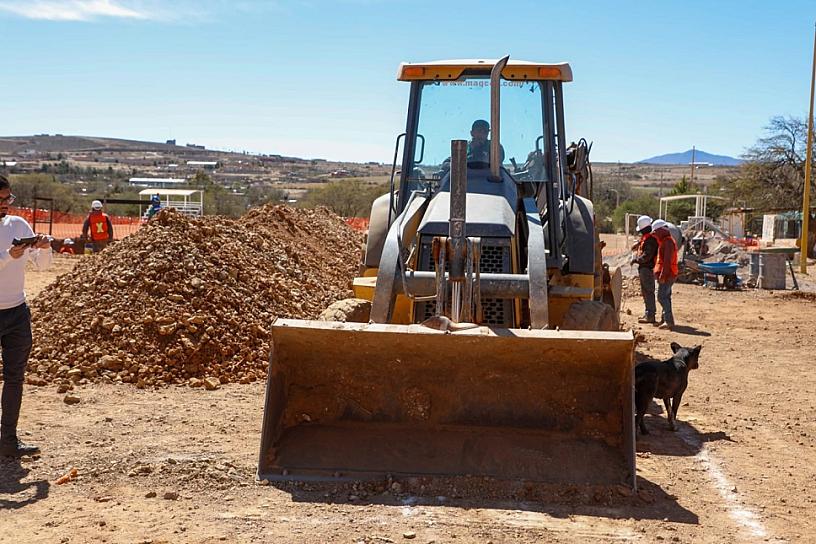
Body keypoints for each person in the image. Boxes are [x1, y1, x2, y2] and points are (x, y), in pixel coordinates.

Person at [0, 174, 52, 456]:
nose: (6, 204)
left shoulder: (18, 224)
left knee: (15, 378)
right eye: (1, 199)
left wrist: (43, 248)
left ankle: (8, 441)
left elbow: (43, 266)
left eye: (8, 198)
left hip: (17, 312)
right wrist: (9, 255)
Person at [651, 219, 679, 330]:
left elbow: (667, 261)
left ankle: (669, 321)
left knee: (662, 297)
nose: (655, 235)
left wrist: (663, 275)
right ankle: (665, 320)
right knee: (666, 297)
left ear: (661, 230)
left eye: (655, 232)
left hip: (668, 274)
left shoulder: (668, 242)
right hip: (669, 273)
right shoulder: (666, 241)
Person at [631, 215, 658, 324]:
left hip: (647, 268)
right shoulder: (647, 238)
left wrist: (636, 260)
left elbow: (647, 256)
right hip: (645, 268)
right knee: (646, 292)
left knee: (648, 292)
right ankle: (648, 314)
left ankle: (650, 315)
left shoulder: (650, 240)